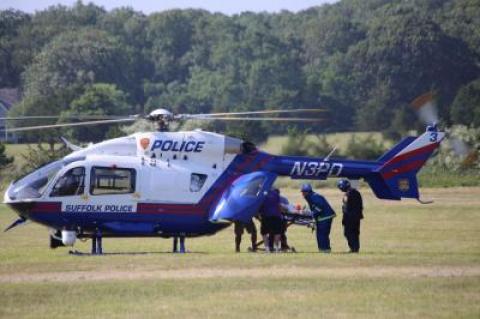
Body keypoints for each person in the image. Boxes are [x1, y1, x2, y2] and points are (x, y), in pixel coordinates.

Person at [301, 183, 336, 253]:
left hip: (325, 217)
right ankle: (324, 249)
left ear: (308, 191)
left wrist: (312, 214)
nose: (303, 193)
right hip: (323, 216)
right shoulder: (310, 196)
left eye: (304, 191)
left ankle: (324, 250)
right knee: (321, 234)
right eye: (302, 191)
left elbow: (320, 207)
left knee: (322, 234)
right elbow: (315, 206)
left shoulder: (313, 196)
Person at [337, 179, 363, 253]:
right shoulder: (354, 192)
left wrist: (346, 218)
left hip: (351, 217)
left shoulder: (350, 193)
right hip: (355, 216)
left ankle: (354, 248)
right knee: (354, 233)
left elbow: (348, 207)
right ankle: (355, 248)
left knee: (349, 233)